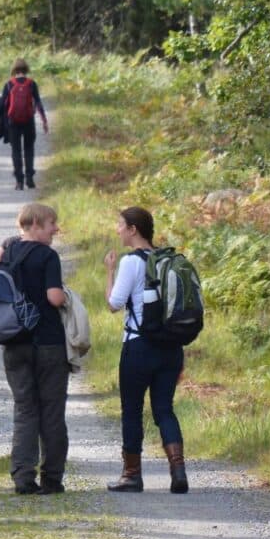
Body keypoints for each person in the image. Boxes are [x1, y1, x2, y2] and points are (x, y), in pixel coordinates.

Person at [103, 205, 188, 494]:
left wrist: (110, 271)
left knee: (132, 410)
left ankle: (131, 475)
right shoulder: (168, 260)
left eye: (120, 224)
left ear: (133, 229)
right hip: (171, 347)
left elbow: (114, 304)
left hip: (138, 346)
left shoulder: (131, 262)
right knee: (164, 409)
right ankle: (178, 470)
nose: (117, 229)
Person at [0, 202, 69, 495]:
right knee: (51, 410)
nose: (55, 229)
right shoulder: (47, 256)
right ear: (35, 224)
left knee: (25, 409)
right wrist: (66, 296)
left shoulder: (7, 251)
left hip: (14, 342)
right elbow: (54, 297)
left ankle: (23, 476)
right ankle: (51, 477)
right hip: (47, 341)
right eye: (52, 224)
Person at [0, 59, 49, 190]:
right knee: (29, 149)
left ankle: (19, 181)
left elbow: (2, 106)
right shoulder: (32, 84)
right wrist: (44, 121)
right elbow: (38, 103)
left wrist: (1, 122)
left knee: (16, 151)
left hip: (13, 123)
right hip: (29, 121)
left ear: (14, 70)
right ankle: (29, 178)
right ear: (26, 70)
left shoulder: (9, 85)